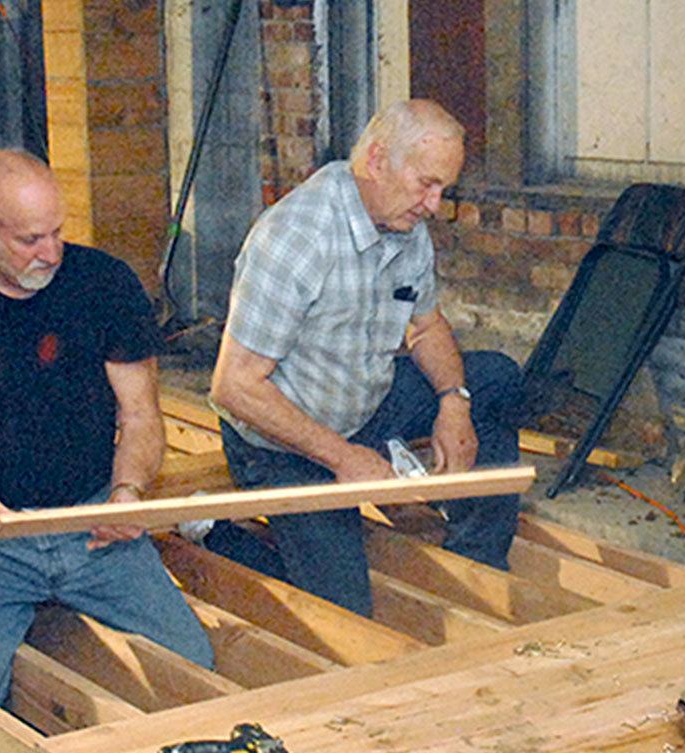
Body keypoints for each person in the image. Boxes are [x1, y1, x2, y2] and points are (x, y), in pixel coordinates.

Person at [0, 148, 214, 706]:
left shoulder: (105, 284)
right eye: (30, 240)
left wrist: (127, 493)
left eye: (57, 232)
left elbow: (142, 415)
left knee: (195, 667)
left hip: (92, 524)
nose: (50, 253)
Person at [209, 99, 523, 617]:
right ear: (376, 161)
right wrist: (344, 459)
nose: (434, 205)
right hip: (282, 441)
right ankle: (216, 537)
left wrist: (454, 402)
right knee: (343, 611)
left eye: (444, 188)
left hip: (363, 402)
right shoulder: (296, 239)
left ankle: (477, 563)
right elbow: (234, 387)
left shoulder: (405, 225)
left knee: (497, 379)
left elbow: (426, 325)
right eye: (427, 184)